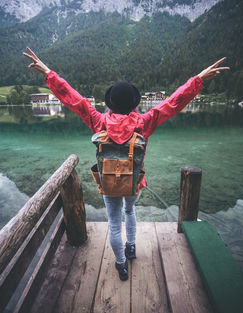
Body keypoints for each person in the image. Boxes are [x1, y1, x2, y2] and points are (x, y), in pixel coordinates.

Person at [23, 47, 229, 281]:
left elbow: (74, 99)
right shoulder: (144, 122)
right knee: (130, 210)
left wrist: (48, 72)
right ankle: (131, 246)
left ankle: (121, 265)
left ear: (110, 104)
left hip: (109, 182)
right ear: (133, 104)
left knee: (113, 222)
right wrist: (198, 79)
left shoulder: (98, 121)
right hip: (134, 182)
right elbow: (173, 103)